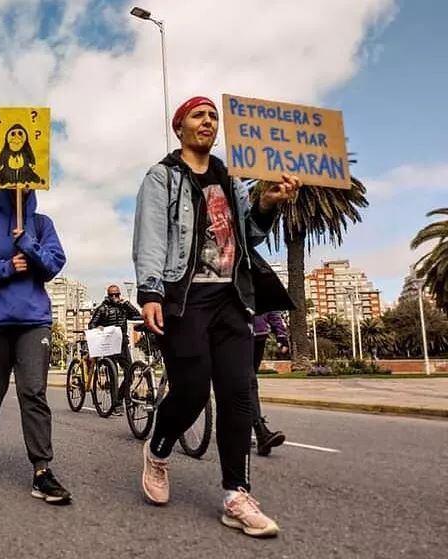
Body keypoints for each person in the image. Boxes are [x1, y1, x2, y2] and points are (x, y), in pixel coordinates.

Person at [133, 96, 301, 537]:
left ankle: (236, 494)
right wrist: (150, 291)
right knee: (190, 390)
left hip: (232, 297)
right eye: (198, 115)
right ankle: (159, 448)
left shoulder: (231, 179)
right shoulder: (162, 177)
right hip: (185, 298)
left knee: (237, 393)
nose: (207, 122)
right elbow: (150, 236)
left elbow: (250, 235)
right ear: (180, 128)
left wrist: (269, 203)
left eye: (212, 116)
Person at [0, 188, 71, 505]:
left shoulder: (43, 224)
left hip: (33, 321)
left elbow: (53, 265)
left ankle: (42, 471)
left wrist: (29, 244)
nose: (19, 186)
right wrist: (6, 266)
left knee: (33, 391)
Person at [88, 285, 141, 415]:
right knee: (113, 375)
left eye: (116, 294)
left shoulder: (123, 307)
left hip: (122, 343)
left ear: (119, 294)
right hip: (108, 344)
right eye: (112, 295)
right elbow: (91, 324)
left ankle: (120, 398)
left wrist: (127, 303)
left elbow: (137, 315)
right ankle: (116, 405)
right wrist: (99, 327)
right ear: (108, 295)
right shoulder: (102, 308)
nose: (114, 297)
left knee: (130, 372)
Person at [252, 312, 288, 456]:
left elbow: (271, 305)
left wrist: (281, 334)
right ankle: (261, 432)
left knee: (248, 381)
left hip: (257, 335)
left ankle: (259, 432)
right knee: (247, 381)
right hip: (235, 333)